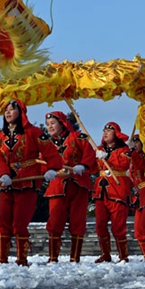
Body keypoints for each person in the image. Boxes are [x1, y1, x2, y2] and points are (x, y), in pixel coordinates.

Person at [0, 99, 63, 266]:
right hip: (7, 182)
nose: (8, 112)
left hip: (27, 182)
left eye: (12, 109)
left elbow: (51, 153)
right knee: (3, 221)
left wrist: (51, 169)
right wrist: (3, 173)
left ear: (21, 112)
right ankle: (2, 259)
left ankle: (21, 259)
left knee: (19, 222)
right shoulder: (1, 136)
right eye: (6, 110)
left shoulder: (34, 132)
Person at [42, 111, 96, 263]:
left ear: (62, 123)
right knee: (55, 221)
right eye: (47, 124)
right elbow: (40, 161)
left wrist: (83, 165)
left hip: (78, 183)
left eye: (53, 123)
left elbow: (89, 154)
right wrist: (46, 171)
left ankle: (75, 258)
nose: (50, 127)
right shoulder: (46, 144)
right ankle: (53, 258)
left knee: (78, 221)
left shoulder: (78, 137)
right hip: (57, 185)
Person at [92, 122, 133, 263]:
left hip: (117, 189)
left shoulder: (124, 149)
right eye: (104, 130)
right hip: (101, 191)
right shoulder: (99, 149)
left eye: (109, 130)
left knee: (118, 225)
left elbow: (124, 164)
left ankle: (123, 256)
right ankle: (105, 254)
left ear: (116, 134)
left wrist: (108, 157)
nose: (105, 133)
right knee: (100, 224)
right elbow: (92, 167)